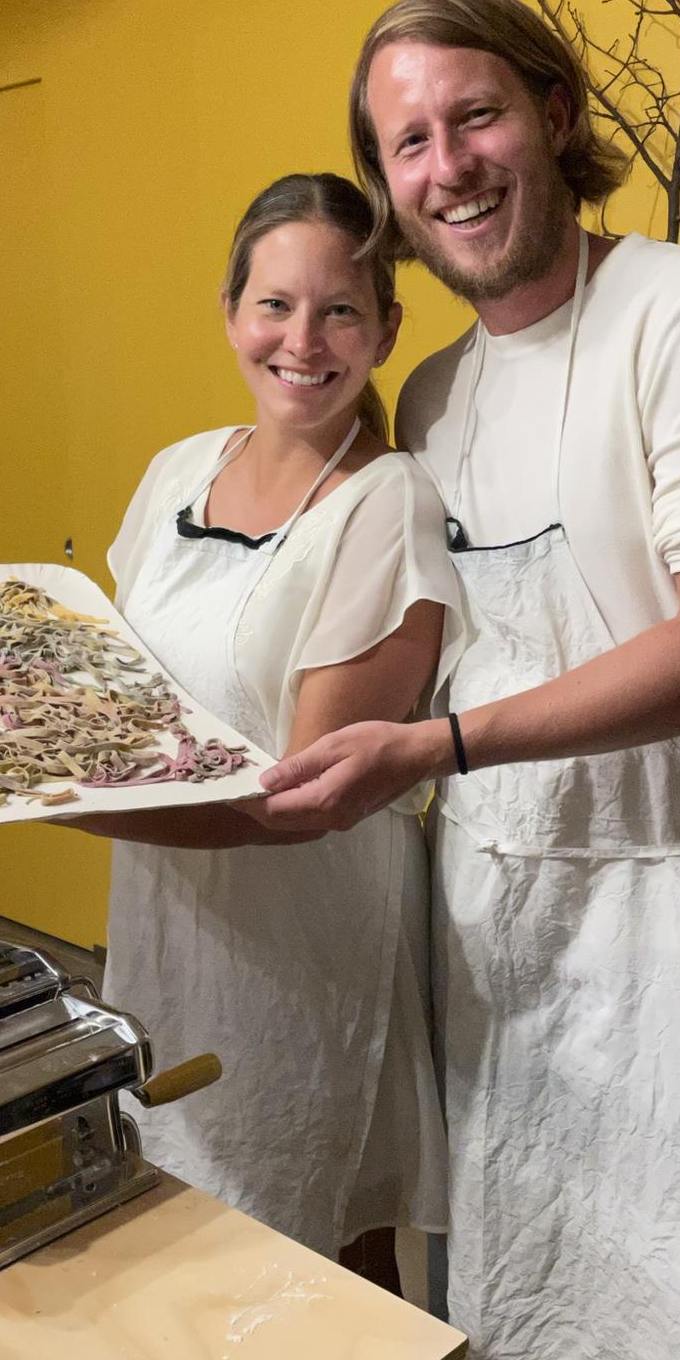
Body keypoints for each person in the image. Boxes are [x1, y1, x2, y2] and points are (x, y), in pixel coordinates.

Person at [255, 0, 680, 1360]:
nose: (445, 166)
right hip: (497, 928)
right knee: (509, 1321)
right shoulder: (439, 393)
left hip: (673, 930)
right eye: (407, 143)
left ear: (556, 115)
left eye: (476, 116)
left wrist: (436, 746)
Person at [59, 172, 461, 1281]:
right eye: (274, 305)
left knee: (316, 1240)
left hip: (309, 942)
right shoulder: (177, 471)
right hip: (168, 920)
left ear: (385, 327)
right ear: (232, 313)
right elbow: (113, 693)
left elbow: (297, 803)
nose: (304, 340)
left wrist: (50, 800)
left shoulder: (385, 504)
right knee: (179, 1210)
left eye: (340, 309)